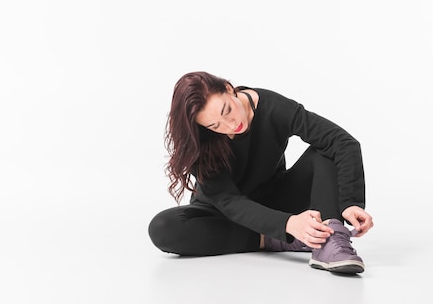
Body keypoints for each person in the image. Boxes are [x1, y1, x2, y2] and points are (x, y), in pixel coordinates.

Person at [148, 71, 374, 274]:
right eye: (215, 126)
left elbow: (342, 142)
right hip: (224, 214)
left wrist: (350, 202)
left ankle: (330, 238)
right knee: (163, 228)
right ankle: (278, 239)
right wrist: (287, 225)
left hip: (274, 203)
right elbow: (229, 201)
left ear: (229, 88)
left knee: (325, 149)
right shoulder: (201, 139)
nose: (229, 125)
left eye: (227, 110)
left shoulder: (274, 107)